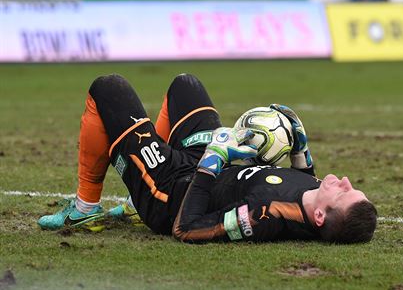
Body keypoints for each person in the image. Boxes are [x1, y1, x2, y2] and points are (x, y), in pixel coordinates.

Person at [38, 74, 377, 244]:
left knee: (108, 88)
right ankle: (131, 202)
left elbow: (186, 229)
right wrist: (300, 147)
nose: (345, 182)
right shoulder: (314, 195)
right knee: (186, 85)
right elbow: (300, 179)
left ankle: (85, 210)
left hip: (171, 192)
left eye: (344, 193)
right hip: (206, 165)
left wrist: (214, 158)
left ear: (319, 217)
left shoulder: (263, 215)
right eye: (352, 187)